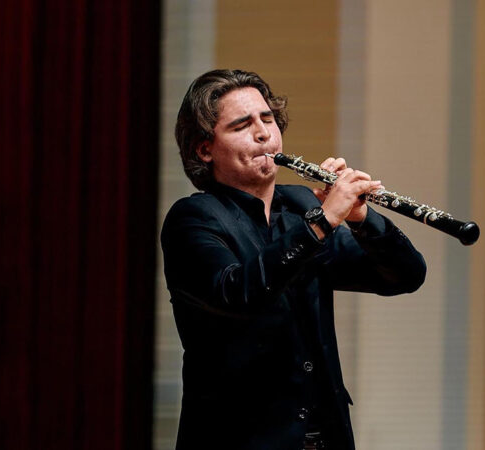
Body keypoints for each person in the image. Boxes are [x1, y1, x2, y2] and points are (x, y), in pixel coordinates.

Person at [161, 69, 426, 449]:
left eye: (267, 119)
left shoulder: (299, 207)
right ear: (205, 149)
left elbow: (404, 276)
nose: (263, 134)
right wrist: (323, 221)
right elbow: (240, 293)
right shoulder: (193, 218)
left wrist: (361, 218)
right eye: (242, 125)